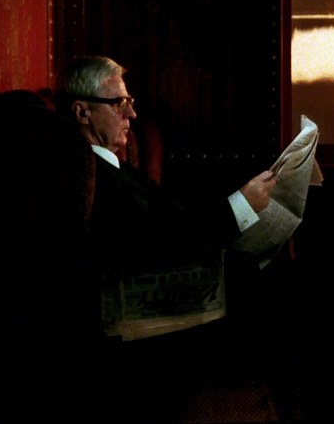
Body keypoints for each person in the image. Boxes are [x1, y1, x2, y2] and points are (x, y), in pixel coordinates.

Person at [53, 55, 281, 422]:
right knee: (282, 288)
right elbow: (160, 242)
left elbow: (169, 224)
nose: (131, 114)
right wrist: (240, 205)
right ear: (82, 112)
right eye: (119, 103)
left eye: (129, 102)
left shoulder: (112, 164)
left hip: (187, 270)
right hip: (157, 301)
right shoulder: (89, 178)